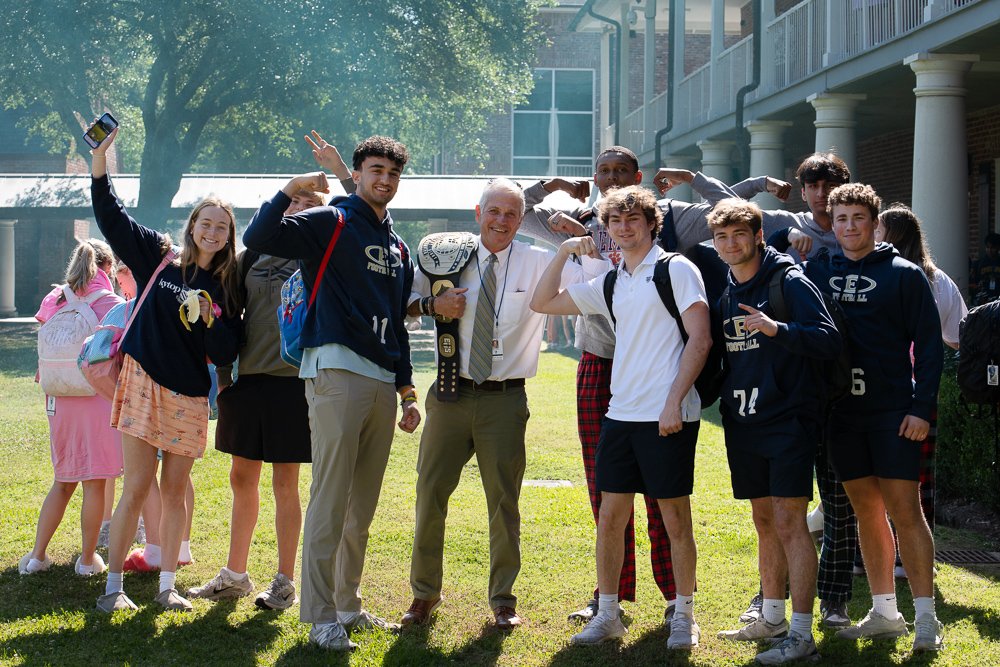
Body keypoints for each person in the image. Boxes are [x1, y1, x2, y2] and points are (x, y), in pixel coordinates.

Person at [519, 148, 790, 623]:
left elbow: (726, 215)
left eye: (622, 174)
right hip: (607, 376)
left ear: (646, 207)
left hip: (665, 385)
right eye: (604, 173)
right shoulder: (591, 238)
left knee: (668, 506)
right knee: (608, 500)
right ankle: (609, 602)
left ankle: (678, 606)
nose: (613, 182)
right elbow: (524, 232)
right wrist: (562, 224)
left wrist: (703, 179)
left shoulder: (673, 249)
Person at [401, 178, 606, 631]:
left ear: (521, 219)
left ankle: (502, 602)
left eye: (511, 213)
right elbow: (406, 302)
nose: (502, 220)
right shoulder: (445, 256)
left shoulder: (539, 261)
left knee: (504, 503)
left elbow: (596, 285)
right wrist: (433, 305)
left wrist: (583, 245)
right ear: (479, 214)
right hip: (450, 394)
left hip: (505, 399)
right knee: (430, 496)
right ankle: (423, 595)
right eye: (494, 211)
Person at [243, 135, 420, 652]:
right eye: (375, 170)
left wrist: (407, 391)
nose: (384, 179)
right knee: (330, 498)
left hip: (382, 381)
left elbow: (397, 324)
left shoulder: (398, 246)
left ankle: (347, 605)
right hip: (335, 370)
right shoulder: (330, 221)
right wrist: (290, 188)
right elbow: (260, 235)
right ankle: (320, 616)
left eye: (392, 172)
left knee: (361, 505)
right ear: (358, 174)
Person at [530, 185, 710, 649]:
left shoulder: (676, 269)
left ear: (651, 223)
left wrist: (673, 401)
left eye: (633, 219)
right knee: (610, 518)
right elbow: (543, 302)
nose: (624, 227)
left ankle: (684, 616)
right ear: (606, 228)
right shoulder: (613, 281)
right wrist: (566, 250)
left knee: (674, 520)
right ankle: (608, 613)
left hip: (667, 415)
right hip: (621, 415)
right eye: (615, 220)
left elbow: (701, 339)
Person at [188, 132, 356, 611]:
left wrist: (341, 174)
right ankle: (235, 574)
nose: (299, 208)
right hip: (249, 382)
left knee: (286, 483)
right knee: (242, 477)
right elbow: (228, 319)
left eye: (310, 203)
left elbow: (360, 212)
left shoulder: (325, 253)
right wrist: (225, 380)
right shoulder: (252, 256)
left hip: (296, 385)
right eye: (294, 199)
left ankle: (284, 581)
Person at [88, 124, 241, 613]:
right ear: (192, 225)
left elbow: (226, 350)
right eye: (206, 223)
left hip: (189, 397)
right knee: (136, 488)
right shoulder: (159, 257)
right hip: (142, 383)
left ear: (229, 236)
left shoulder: (225, 285)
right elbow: (112, 217)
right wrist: (99, 160)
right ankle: (113, 589)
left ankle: (166, 587)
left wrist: (211, 316)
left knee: (174, 493)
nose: (212, 232)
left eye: (222, 227)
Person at [804, 183, 945, 653]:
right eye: (841, 218)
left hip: (893, 414)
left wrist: (921, 409)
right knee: (865, 510)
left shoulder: (905, 274)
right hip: (843, 414)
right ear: (832, 222)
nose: (849, 227)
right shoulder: (819, 270)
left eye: (858, 218)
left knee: (906, 511)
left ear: (875, 222)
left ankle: (927, 619)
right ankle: (885, 613)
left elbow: (929, 348)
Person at [708, 199, 841, 663]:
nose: (730, 244)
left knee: (789, 522)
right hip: (743, 422)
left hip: (789, 420)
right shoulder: (725, 291)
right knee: (764, 521)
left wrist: (776, 328)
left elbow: (828, 339)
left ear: (758, 235)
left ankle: (802, 635)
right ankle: (772, 618)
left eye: (739, 235)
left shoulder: (788, 280)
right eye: (722, 237)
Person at [749, 152, 857, 629]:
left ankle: (834, 599)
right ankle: (769, 597)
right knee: (781, 506)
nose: (819, 194)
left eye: (827, 185)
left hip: (838, 383)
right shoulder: (789, 230)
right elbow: (749, 245)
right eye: (812, 185)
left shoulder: (855, 234)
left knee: (838, 500)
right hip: (789, 382)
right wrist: (782, 239)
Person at [20, 239, 124, 578]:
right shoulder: (110, 302)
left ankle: (37, 556)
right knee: (95, 483)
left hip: (58, 399)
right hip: (96, 397)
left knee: (63, 481)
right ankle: (87, 560)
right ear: (107, 267)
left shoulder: (54, 297)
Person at [875, 204, 967, 573]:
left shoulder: (881, 275)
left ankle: (876, 555)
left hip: (884, 389)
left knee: (878, 476)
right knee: (919, 480)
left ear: (890, 236)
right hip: (924, 393)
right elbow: (959, 338)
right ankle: (909, 558)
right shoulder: (939, 280)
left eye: (878, 229)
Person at [970, 232, 1000, 305]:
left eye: (992, 247)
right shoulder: (978, 264)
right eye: (987, 247)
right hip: (983, 299)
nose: (989, 250)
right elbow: (972, 283)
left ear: (998, 248)